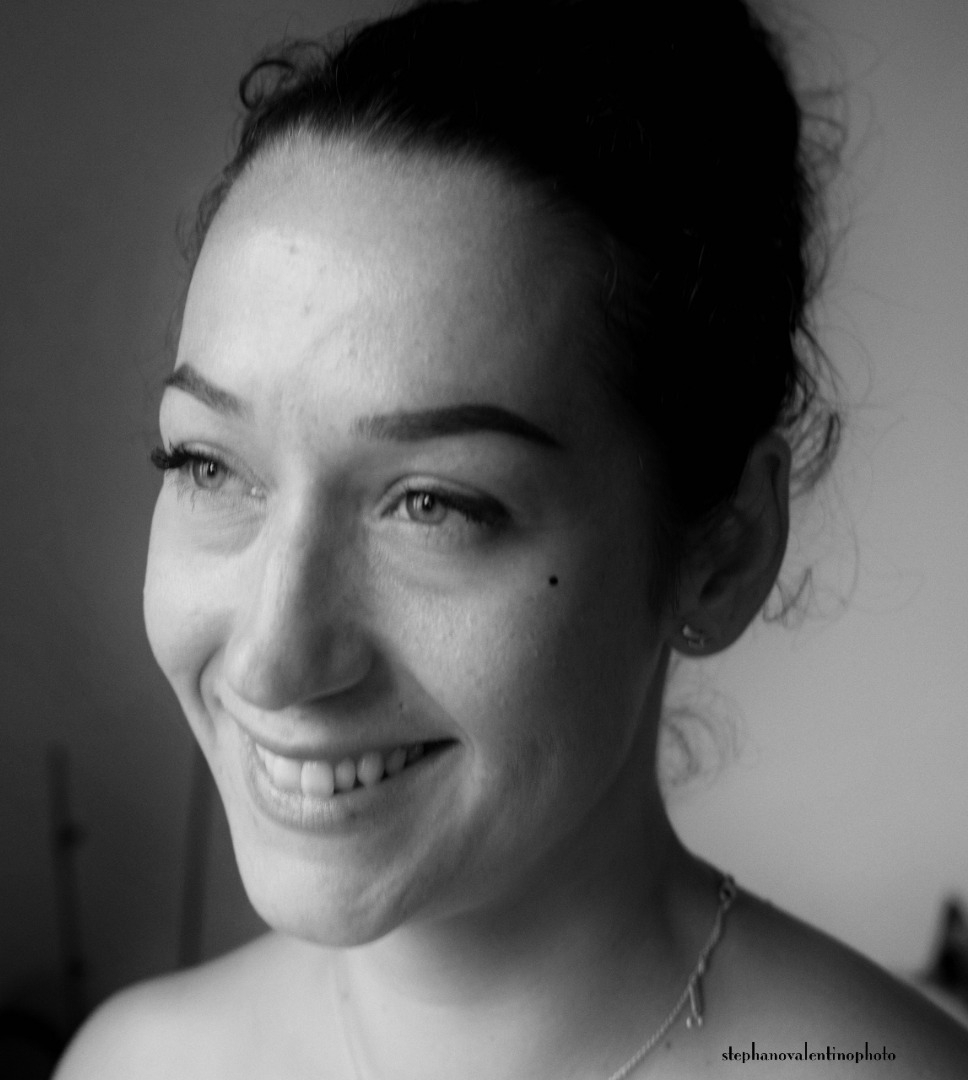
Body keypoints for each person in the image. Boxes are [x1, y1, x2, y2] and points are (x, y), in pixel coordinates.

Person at [55, 1, 968, 1076]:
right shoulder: (129, 1064)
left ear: (722, 553)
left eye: (434, 504)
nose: (271, 661)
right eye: (209, 465)